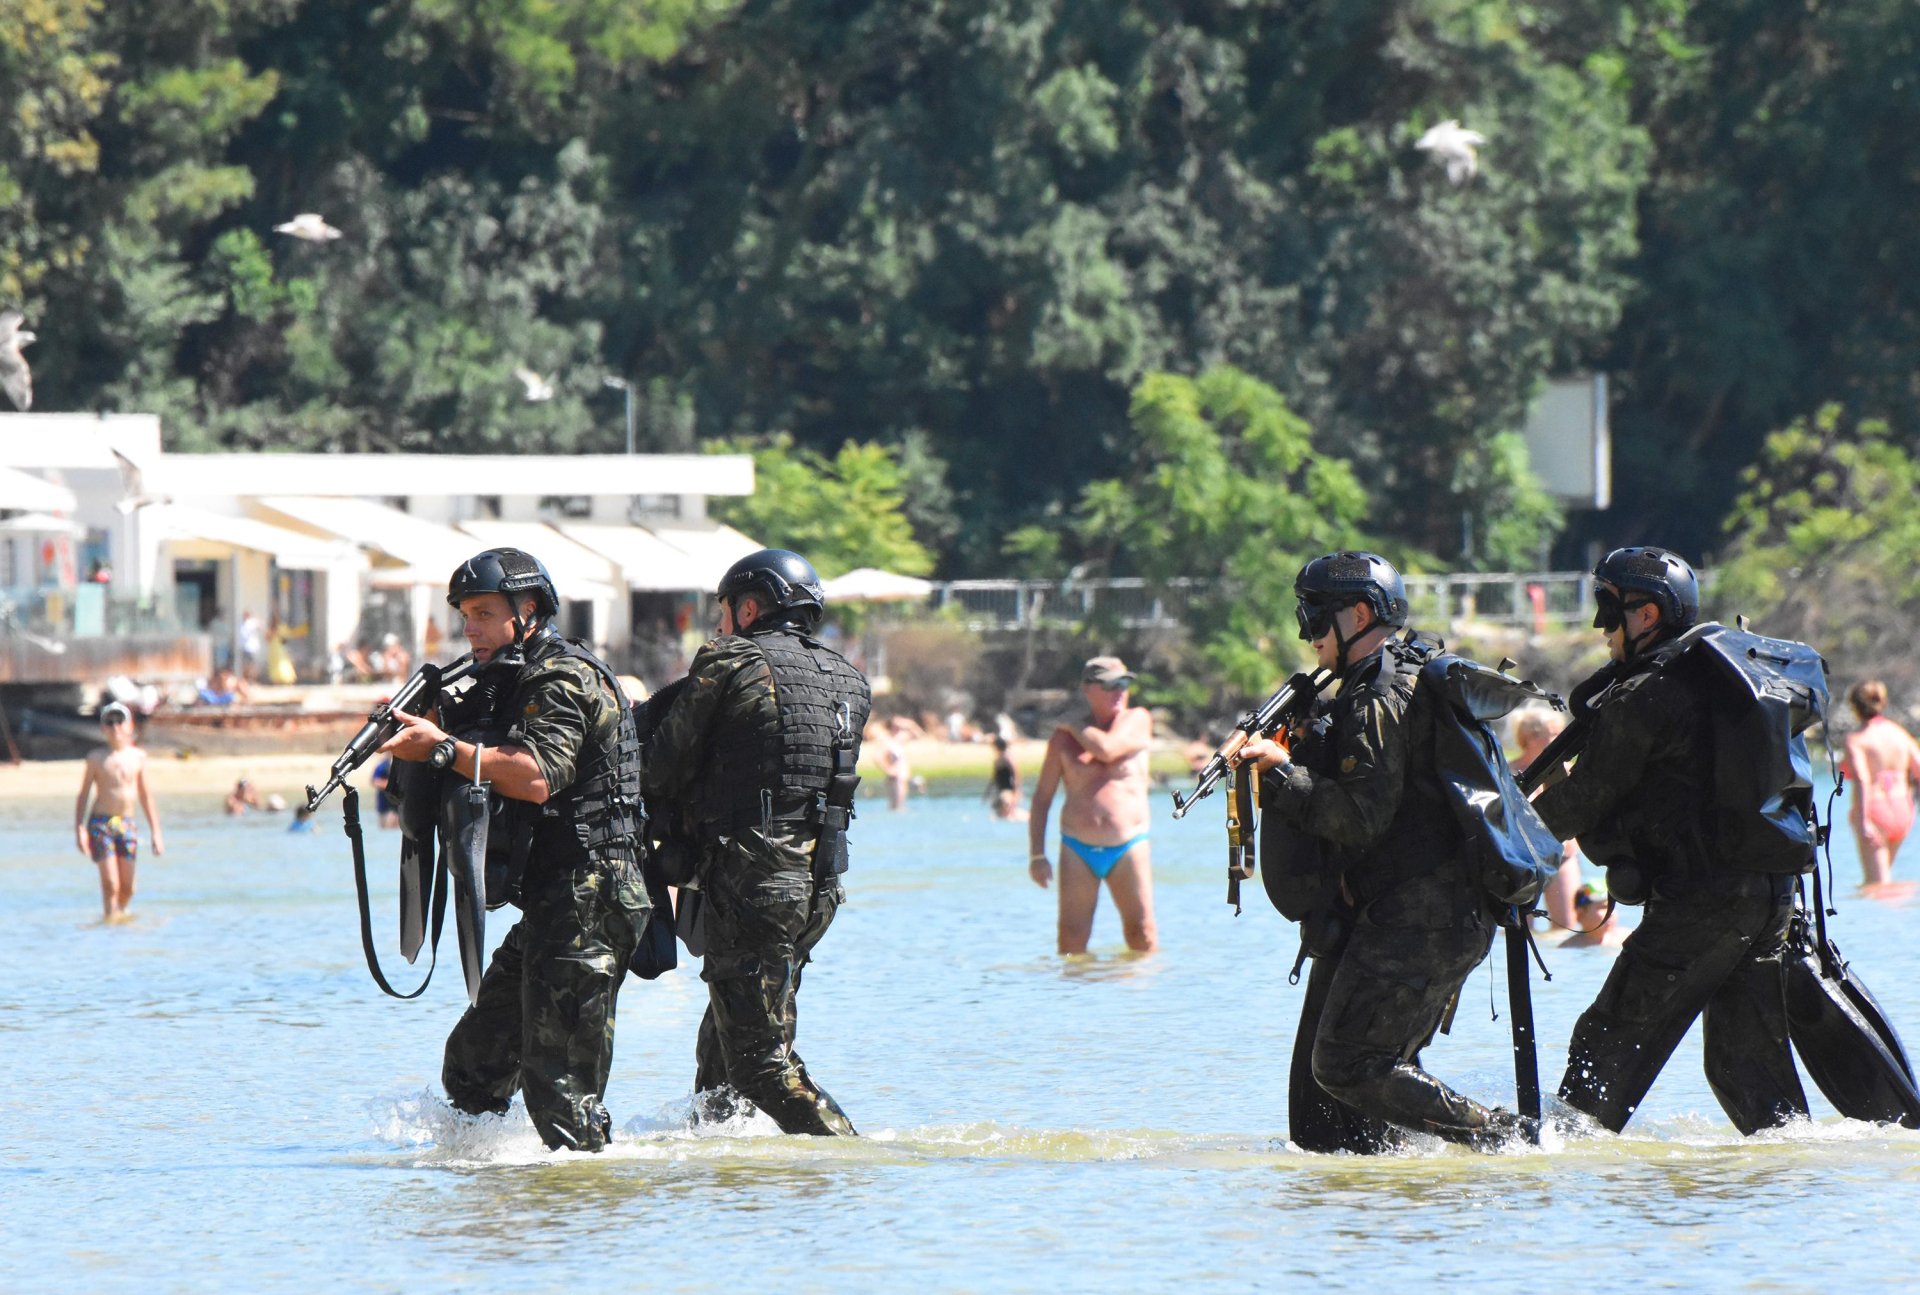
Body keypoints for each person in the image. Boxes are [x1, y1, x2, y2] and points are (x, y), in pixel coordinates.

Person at [1236, 552, 1525, 1151]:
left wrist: (1282, 774)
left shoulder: (1381, 696)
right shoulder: (1377, 683)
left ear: (1360, 615)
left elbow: (1359, 816)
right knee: (1321, 1118)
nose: (1306, 635)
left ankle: (1504, 1140)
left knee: (1346, 1064)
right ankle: (1370, 1216)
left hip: (1426, 916)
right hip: (1393, 910)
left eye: (1316, 620)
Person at [377, 547, 649, 1153]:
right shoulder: (509, 676)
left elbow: (535, 775)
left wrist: (443, 747)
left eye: (483, 612)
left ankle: (585, 1211)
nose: (469, 627)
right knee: (473, 1068)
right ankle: (496, 1201)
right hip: (557, 901)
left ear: (527, 611)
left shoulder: (561, 676)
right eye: (464, 615)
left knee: (560, 1093)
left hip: (593, 898)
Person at [1531, 546, 1808, 1135]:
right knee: (1743, 1067)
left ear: (1648, 615)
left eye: (1611, 609)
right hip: (1769, 894)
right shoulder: (1708, 680)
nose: (1603, 628)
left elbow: (1585, 799)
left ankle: (1560, 1167)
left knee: (1604, 1040)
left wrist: (1497, 842)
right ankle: (1793, 1183)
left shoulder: (1646, 694)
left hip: (1704, 899)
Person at [641, 548, 871, 1136]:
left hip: (756, 883)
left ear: (747, 608)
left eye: (723, 612)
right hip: (821, 887)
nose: (718, 625)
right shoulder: (849, 679)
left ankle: (849, 1157)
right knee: (725, 1052)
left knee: (757, 1062)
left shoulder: (732, 660)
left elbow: (662, 765)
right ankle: (733, 1184)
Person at [1028, 656, 1158, 955]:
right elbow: (1042, 798)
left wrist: (1072, 724)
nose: (1119, 692)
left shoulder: (1137, 720)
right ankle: (1075, 998)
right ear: (1087, 689)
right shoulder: (1063, 740)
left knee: (1143, 935)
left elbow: (1108, 750)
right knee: (1071, 940)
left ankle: (1144, 998)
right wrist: (1037, 854)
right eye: (1111, 685)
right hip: (1077, 847)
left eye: (1124, 683)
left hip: (1129, 845)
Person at [73, 702, 165, 922]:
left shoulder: (138, 757)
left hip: (126, 823)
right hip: (101, 823)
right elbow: (83, 795)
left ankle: (118, 916)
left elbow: (145, 796)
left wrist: (156, 832)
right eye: (109, 722)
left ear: (129, 725)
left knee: (128, 887)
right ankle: (110, 918)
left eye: (119, 721)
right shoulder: (96, 758)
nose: (115, 727)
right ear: (103, 728)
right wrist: (80, 829)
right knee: (111, 884)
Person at [1511, 706, 1585, 932]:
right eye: (1552, 734)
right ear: (1530, 737)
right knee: (1519, 929)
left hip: (1563, 857)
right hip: (1523, 862)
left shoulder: (1569, 771)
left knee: (1566, 927)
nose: (1558, 739)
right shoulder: (1508, 771)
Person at [1843, 680, 1920, 888]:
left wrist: (1863, 820)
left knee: (1876, 885)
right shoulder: (1899, 734)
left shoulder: (1857, 739)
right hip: (1903, 809)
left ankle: (1881, 919)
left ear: (1854, 706)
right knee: (1886, 879)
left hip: (1875, 811)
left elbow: (1861, 778)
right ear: (1882, 702)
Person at [1560, 882, 1627, 949]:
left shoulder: (1626, 938)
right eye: (1603, 907)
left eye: (1612, 907)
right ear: (1581, 914)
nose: (1611, 913)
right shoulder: (1569, 946)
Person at [985, 734, 1026, 821]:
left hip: (1009, 789)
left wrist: (1017, 790)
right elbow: (994, 777)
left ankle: (1012, 812)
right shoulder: (997, 760)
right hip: (1000, 789)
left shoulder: (1008, 759)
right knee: (997, 809)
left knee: (1007, 805)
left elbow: (1016, 775)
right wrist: (988, 791)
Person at [369, 756, 400, 829]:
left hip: (398, 805)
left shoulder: (404, 765)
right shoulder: (382, 766)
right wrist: (390, 785)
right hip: (384, 804)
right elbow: (374, 781)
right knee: (384, 827)